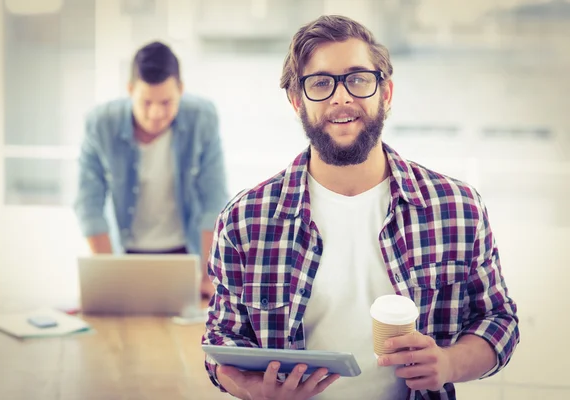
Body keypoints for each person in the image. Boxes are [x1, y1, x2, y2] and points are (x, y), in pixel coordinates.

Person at [201, 15, 519, 400]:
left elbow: (499, 321)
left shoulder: (457, 208)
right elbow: (222, 341)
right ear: (296, 100)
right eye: (320, 83)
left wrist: (449, 363)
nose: (341, 97)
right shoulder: (244, 221)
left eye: (358, 78)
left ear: (385, 93)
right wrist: (255, 389)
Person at [74, 41, 228, 298]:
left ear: (181, 89)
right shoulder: (100, 124)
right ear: (130, 90)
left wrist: (207, 276)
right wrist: (109, 278)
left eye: (167, 102)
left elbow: (214, 201)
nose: (156, 113)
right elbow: (88, 205)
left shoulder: (203, 118)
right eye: (146, 102)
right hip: (123, 254)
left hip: (187, 254)